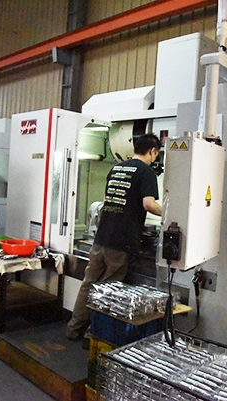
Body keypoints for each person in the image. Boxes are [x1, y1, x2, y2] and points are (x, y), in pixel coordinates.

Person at [66, 134, 162, 341]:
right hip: (121, 242)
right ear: (153, 151)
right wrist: (170, 214)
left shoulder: (117, 168)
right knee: (107, 290)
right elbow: (148, 204)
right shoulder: (146, 172)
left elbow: (106, 200)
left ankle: (74, 328)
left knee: (88, 284)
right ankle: (93, 336)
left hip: (102, 237)